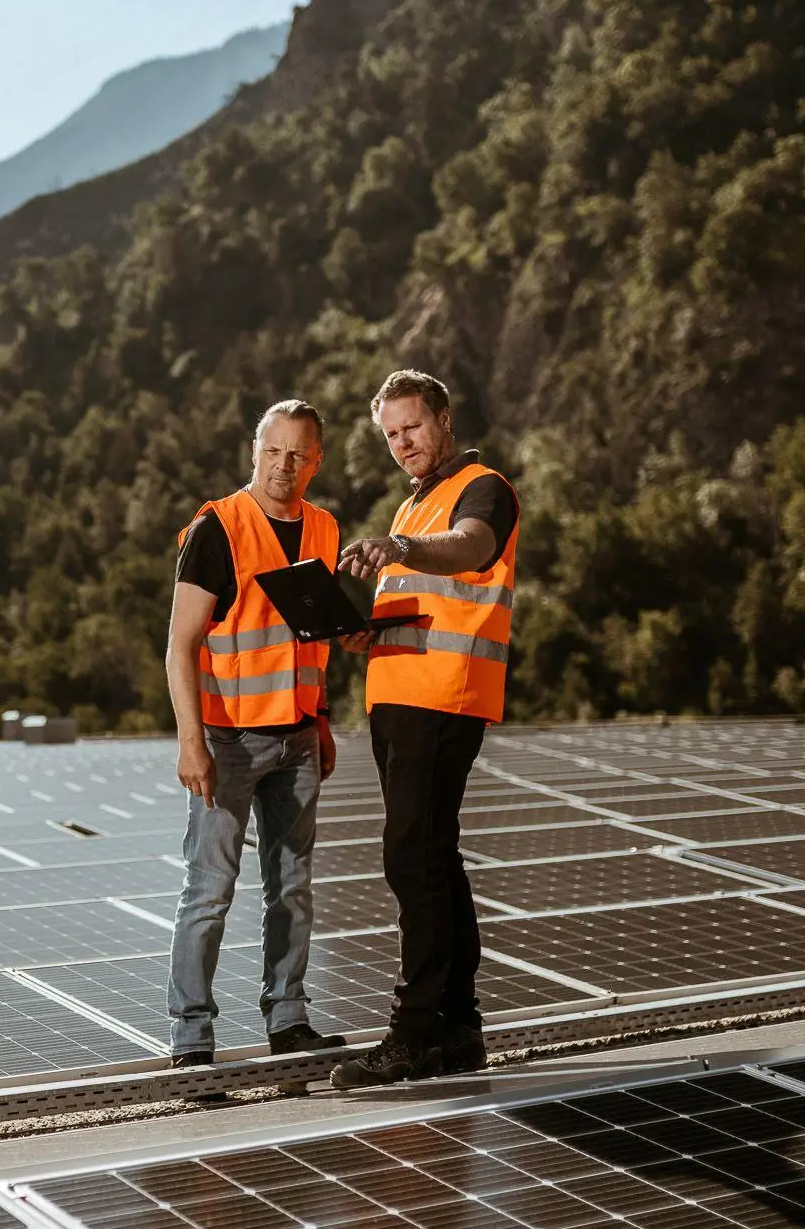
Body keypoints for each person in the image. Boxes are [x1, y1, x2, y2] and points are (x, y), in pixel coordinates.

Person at [328, 369, 520, 1088]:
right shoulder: (410, 509)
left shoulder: (481, 489)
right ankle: (458, 1029)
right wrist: (368, 633)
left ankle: (411, 1036)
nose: (401, 443)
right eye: (390, 435)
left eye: (410, 426)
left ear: (442, 418)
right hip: (402, 697)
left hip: (443, 699)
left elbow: (469, 548)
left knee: (411, 859)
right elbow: (424, 609)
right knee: (433, 860)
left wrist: (404, 550)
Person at [163, 400, 351, 1070]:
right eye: (273, 451)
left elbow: (314, 634)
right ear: (254, 451)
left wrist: (321, 721)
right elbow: (180, 645)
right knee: (209, 891)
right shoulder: (217, 528)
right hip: (228, 742)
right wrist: (191, 741)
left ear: (316, 461)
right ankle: (192, 1040)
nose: (283, 465)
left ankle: (288, 1021)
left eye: (298, 454)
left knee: (291, 888)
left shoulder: (325, 529)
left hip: (298, 738)